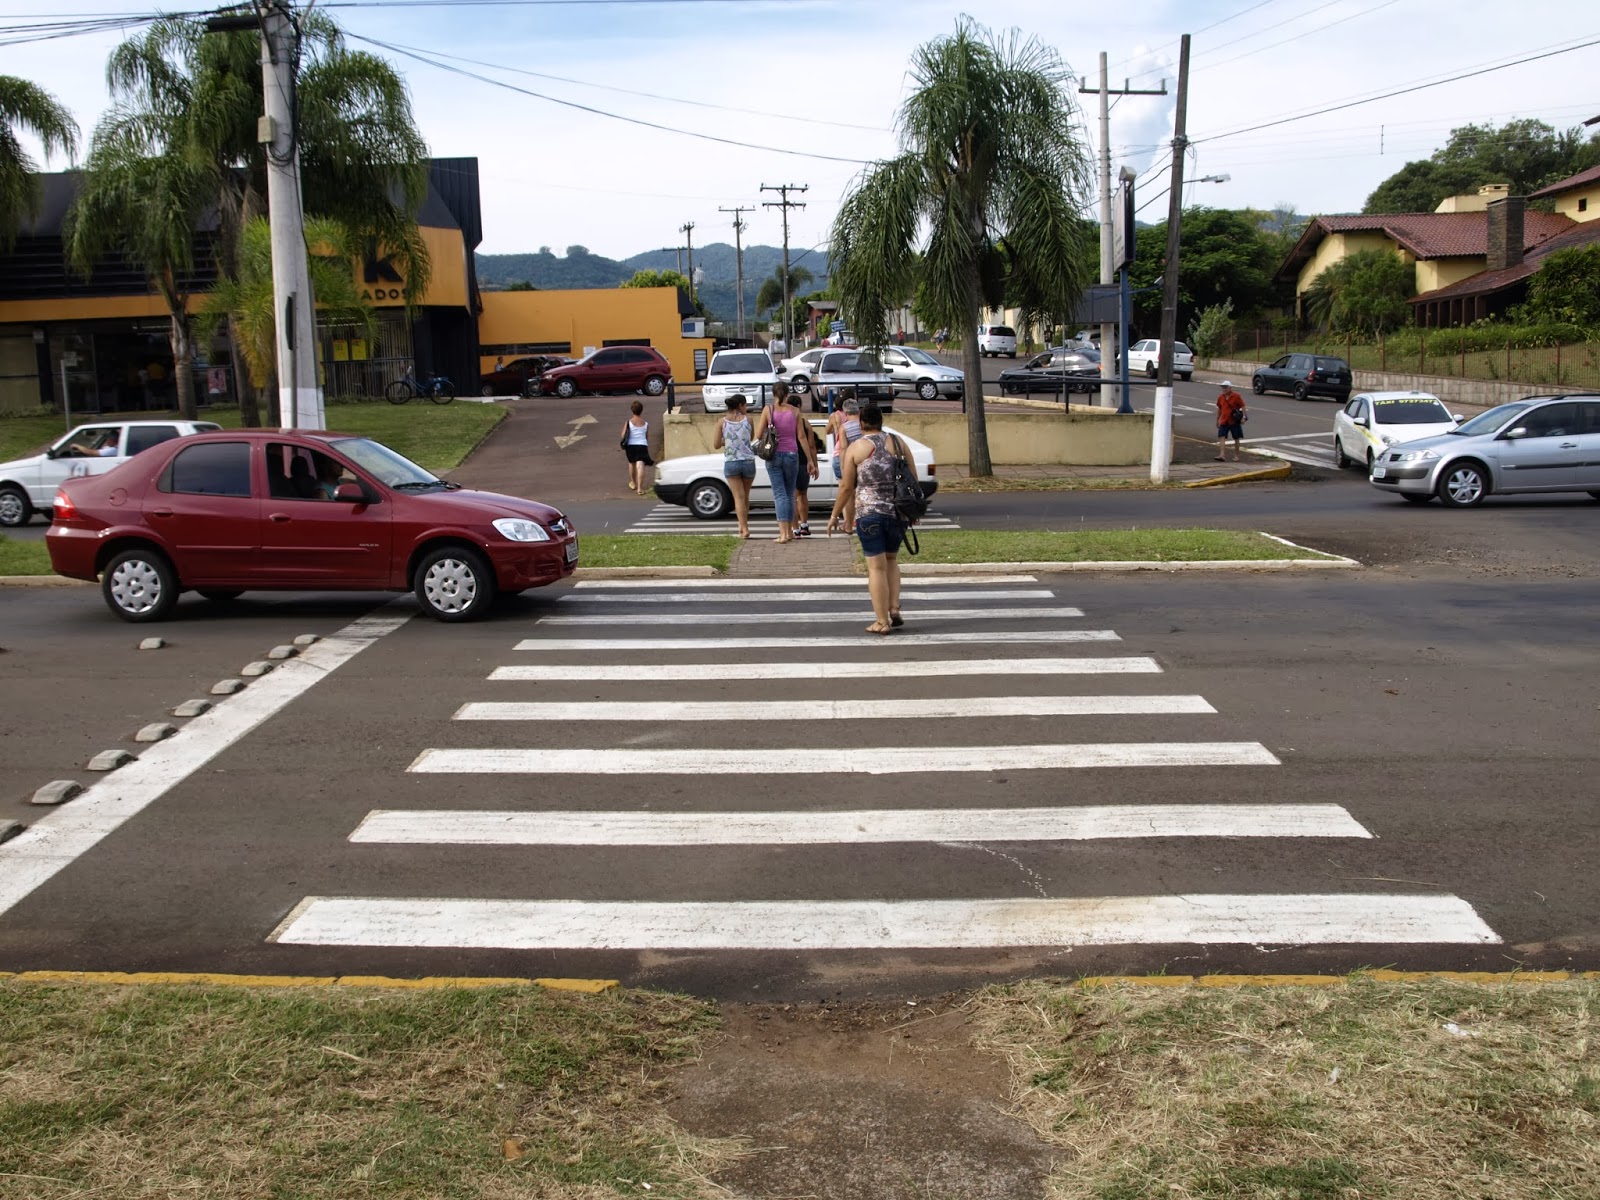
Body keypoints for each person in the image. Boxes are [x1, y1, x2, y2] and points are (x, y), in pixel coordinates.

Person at [827, 404, 911, 634]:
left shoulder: (857, 448)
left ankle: (882, 621)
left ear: (861, 423)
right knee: (891, 560)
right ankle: (894, 607)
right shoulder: (899, 443)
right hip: (898, 514)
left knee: (876, 568)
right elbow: (912, 477)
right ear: (881, 421)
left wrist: (835, 515)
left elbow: (846, 486)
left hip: (869, 514)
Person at [752, 381, 812, 543]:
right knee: (790, 494)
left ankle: (783, 534)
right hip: (792, 454)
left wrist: (769, 429)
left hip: (774, 455)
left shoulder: (768, 410)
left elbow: (758, 435)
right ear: (787, 394)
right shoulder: (795, 411)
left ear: (773, 394)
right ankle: (791, 532)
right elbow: (801, 437)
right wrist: (810, 460)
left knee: (779, 494)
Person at [713, 393, 756, 538]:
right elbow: (750, 438)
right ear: (740, 405)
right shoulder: (749, 420)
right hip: (748, 461)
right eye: (745, 405)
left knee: (738, 497)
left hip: (731, 462)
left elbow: (716, 444)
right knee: (745, 496)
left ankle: (744, 528)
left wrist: (727, 441)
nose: (746, 408)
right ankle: (743, 525)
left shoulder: (722, 422)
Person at [825, 397, 864, 528]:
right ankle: (857, 521)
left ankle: (848, 524)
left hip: (846, 460)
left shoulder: (844, 427)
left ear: (846, 412)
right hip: (861, 460)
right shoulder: (864, 425)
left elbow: (843, 448)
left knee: (847, 492)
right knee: (860, 492)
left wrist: (843, 467)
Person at [792, 417, 823, 537]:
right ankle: (804, 525)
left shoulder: (781, 420)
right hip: (803, 462)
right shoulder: (805, 423)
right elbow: (811, 445)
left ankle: (795, 529)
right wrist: (815, 464)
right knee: (802, 494)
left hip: (788, 460)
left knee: (792, 497)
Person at [621, 399, 652, 495]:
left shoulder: (628, 422)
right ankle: (640, 488)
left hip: (631, 445)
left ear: (632, 410)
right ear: (641, 410)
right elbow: (646, 436)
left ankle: (633, 483)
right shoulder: (645, 423)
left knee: (631, 464)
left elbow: (623, 435)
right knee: (640, 465)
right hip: (642, 445)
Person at [1215, 380, 1247, 462]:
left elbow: (1243, 406)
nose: (1224, 389)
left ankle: (1237, 455)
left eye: (1225, 387)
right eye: (1222, 387)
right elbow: (1219, 408)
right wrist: (1217, 419)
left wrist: (1244, 417)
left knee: (1236, 438)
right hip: (1224, 420)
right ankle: (1222, 455)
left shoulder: (1236, 396)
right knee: (1221, 436)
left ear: (1230, 388)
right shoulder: (1221, 397)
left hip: (1234, 421)